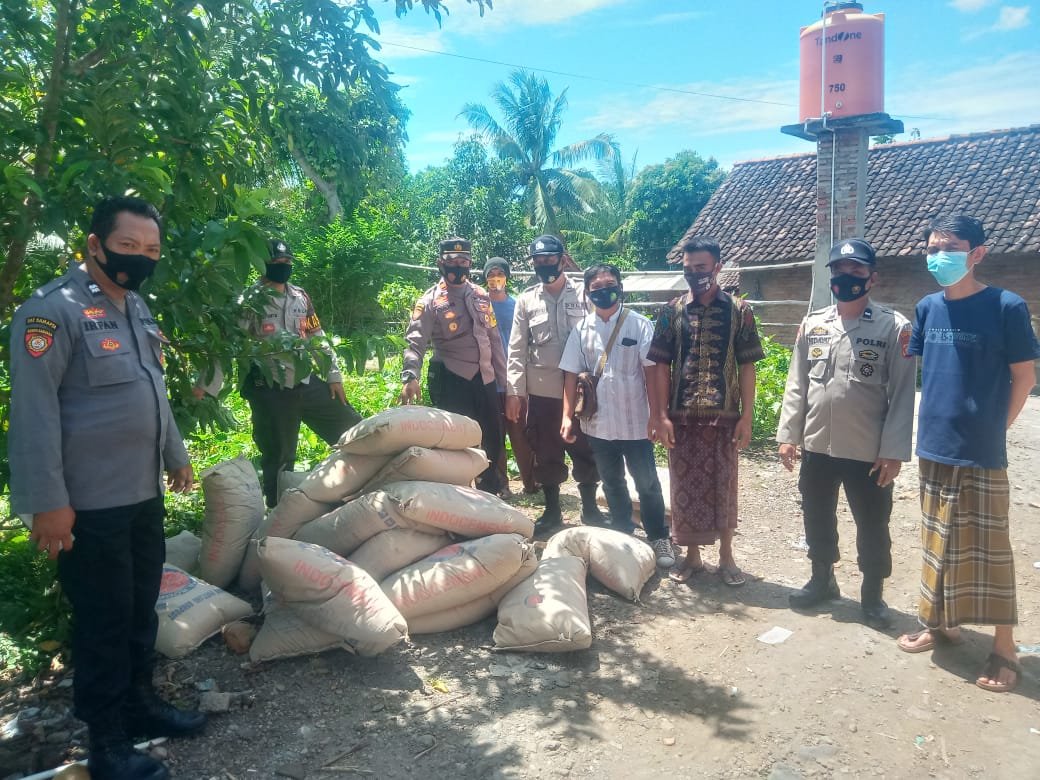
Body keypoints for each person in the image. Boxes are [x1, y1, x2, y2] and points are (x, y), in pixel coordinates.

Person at [9, 196, 205, 780]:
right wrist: (47, 503)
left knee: (141, 606)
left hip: (141, 492)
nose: (141, 259)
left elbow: (153, 391)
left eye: (151, 250)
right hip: (87, 504)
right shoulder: (50, 313)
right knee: (103, 619)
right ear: (95, 245)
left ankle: (141, 705)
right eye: (128, 247)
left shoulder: (137, 309)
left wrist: (175, 454)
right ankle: (107, 742)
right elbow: (34, 414)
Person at [895, 214, 1040, 693]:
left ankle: (1004, 647)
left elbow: (1025, 378)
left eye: (950, 247)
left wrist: (995, 429)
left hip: (980, 450)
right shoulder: (927, 307)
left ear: (977, 253)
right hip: (933, 443)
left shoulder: (1006, 307)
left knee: (988, 548)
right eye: (933, 247)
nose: (939, 256)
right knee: (936, 540)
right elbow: (918, 364)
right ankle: (942, 626)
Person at [776, 238, 916, 628]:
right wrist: (789, 434)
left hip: (867, 449)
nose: (846, 277)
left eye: (856, 271)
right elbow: (796, 383)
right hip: (819, 445)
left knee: (873, 522)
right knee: (817, 516)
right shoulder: (814, 323)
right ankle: (823, 580)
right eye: (840, 271)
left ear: (872, 278)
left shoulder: (895, 327)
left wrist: (893, 451)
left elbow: (903, 394)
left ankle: (872, 595)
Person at [649, 236, 764, 586]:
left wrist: (747, 416)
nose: (694, 274)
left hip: (724, 417)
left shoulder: (740, 311)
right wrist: (662, 416)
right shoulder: (671, 311)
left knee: (724, 486)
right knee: (684, 487)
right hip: (682, 419)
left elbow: (747, 366)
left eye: (701, 268)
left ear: (718, 267)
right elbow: (660, 366)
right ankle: (693, 558)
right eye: (688, 268)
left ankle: (727, 557)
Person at [228, 239, 361, 507]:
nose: (283, 267)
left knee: (352, 429)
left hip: (305, 382)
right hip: (270, 388)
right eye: (277, 263)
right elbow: (233, 342)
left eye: (287, 262)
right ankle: (277, 517)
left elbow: (316, 335)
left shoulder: (300, 297)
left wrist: (333, 375)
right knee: (279, 457)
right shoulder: (249, 301)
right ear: (264, 264)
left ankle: (357, 488)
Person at [559, 264, 675, 568]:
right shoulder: (581, 330)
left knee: (647, 482)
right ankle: (623, 531)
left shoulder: (638, 325)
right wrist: (567, 416)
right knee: (611, 481)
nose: (604, 291)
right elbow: (570, 376)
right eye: (596, 287)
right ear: (588, 293)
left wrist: (656, 416)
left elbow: (651, 373)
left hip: (636, 422)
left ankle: (658, 536)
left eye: (610, 285)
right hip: (598, 424)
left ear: (620, 287)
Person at [505, 234, 610, 530]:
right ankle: (552, 512)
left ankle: (590, 509)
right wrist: (515, 391)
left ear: (562, 259)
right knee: (546, 450)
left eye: (549, 259)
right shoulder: (526, 300)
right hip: (542, 391)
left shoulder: (584, 295)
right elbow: (516, 348)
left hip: (581, 391)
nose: (544, 265)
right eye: (538, 261)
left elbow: (600, 336)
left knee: (587, 448)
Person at [400, 237, 505, 494]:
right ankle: (457, 495)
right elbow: (415, 342)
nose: (458, 267)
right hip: (452, 379)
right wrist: (410, 375)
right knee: (455, 443)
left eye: (464, 262)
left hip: (486, 379)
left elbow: (494, 340)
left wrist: (506, 383)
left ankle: (489, 491)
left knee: (492, 438)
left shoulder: (480, 295)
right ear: (440, 264)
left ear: (470, 264)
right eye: (452, 262)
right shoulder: (430, 301)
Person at [484, 256, 538, 497]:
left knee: (521, 433)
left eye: (499, 274)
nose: (495, 278)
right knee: (494, 435)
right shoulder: (480, 304)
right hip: (488, 380)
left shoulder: (517, 306)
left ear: (506, 277)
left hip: (515, 380)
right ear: (485, 278)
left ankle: (530, 482)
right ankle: (501, 485)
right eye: (491, 274)